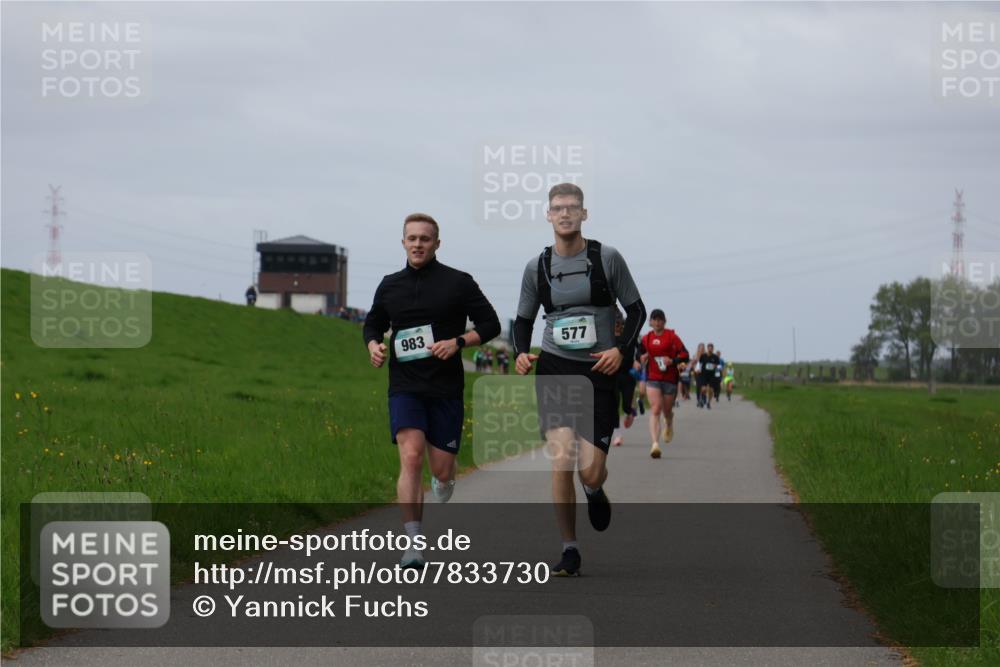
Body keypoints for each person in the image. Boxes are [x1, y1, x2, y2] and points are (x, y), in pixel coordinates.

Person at [513, 183, 645, 577]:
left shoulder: (607, 258)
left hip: (599, 371)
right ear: (548, 215)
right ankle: (569, 548)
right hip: (554, 368)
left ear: (584, 214)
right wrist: (521, 351)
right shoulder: (536, 267)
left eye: (572, 208)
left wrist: (620, 349)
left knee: (589, 469)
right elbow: (523, 319)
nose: (565, 214)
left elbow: (636, 310)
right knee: (561, 461)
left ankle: (594, 488)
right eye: (558, 208)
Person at [363, 213, 500, 568]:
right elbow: (373, 323)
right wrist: (374, 346)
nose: (418, 244)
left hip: (445, 388)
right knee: (410, 457)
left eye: (425, 238)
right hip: (405, 386)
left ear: (437, 243)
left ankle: (445, 479)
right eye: (412, 238)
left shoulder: (458, 282)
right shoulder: (390, 285)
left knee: (441, 470)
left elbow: (490, 324)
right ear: (403, 242)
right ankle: (413, 544)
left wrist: (458, 341)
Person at [639, 310, 689, 458]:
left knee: (666, 410)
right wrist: (641, 357)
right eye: (655, 319)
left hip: (670, 379)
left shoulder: (672, 336)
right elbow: (639, 354)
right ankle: (655, 444)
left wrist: (672, 361)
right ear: (651, 322)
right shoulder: (646, 338)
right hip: (653, 378)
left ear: (664, 321)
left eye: (660, 319)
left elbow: (685, 354)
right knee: (655, 409)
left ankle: (669, 421)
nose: (657, 322)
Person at [611, 310, 640, 448]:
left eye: (619, 323)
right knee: (614, 405)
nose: (617, 326)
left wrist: (638, 360)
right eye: (615, 323)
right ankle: (617, 435)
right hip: (612, 374)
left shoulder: (629, 336)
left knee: (626, 406)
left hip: (628, 375)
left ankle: (631, 411)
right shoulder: (607, 337)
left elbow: (641, 350)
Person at [698, 343, 722, 410]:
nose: (710, 349)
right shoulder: (703, 356)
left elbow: (719, 367)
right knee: (703, 389)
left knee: (711, 390)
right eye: (709, 348)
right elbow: (699, 364)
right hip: (704, 375)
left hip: (712, 376)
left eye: (711, 348)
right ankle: (702, 398)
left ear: (713, 349)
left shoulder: (715, 357)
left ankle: (708, 402)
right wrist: (698, 370)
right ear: (707, 348)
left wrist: (716, 366)